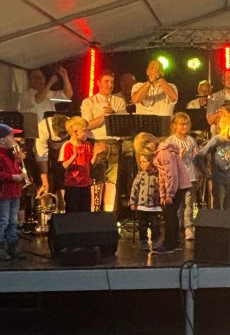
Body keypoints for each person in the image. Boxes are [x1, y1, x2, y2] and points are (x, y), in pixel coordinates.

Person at [81, 71, 127, 212]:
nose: (110, 85)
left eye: (112, 82)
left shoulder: (119, 101)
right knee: (97, 179)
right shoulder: (89, 102)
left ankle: (108, 214)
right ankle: (95, 213)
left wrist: (113, 114)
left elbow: (124, 125)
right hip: (97, 142)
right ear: (98, 83)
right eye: (106, 81)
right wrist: (104, 116)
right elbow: (87, 125)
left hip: (114, 143)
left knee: (112, 181)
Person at [0, 123, 27, 262]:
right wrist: (12, 177)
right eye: (12, 136)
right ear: (2, 140)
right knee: (3, 220)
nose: (14, 139)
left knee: (13, 220)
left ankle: (12, 244)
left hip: (13, 193)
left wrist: (20, 170)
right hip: (3, 194)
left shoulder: (10, 155)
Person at [195, 106, 230, 210]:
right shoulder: (216, 140)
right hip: (219, 180)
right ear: (227, 126)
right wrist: (205, 172)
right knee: (219, 209)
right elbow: (199, 156)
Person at [153, 135, 193, 253]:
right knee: (171, 214)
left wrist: (169, 194)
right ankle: (174, 242)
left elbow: (171, 174)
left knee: (169, 215)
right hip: (179, 185)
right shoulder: (163, 152)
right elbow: (162, 175)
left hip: (177, 186)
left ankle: (170, 244)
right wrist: (162, 194)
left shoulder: (163, 153)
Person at [165, 111, 199, 241]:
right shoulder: (170, 141)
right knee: (178, 204)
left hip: (190, 176)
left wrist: (200, 170)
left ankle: (189, 227)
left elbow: (196, 157)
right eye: (181, 124)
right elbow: (166, 160)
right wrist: (178, 157)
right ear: (174, 125)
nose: (184, 127)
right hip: (177, 177)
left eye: (186, 124)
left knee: (189, 204)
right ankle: (177, 226)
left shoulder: (191, 140)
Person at [61, 116, 105, 213]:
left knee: (85, 211)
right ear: (75, 132)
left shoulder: (87, 145)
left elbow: (90, 164)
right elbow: (64, 166)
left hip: (85, 184)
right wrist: (73, 156)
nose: (87, 133)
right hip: (72, 185)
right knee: (73, 210)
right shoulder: (67, 146)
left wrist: (96, 154)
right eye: (84, 131)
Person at [129, 152, 164, 251]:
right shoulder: (140, 175)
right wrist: (133, 202)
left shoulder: (158, 175)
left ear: (151, 162)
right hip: (142, 206)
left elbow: (162, 188)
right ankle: (143, 241)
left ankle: (155, 241)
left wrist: (162, 198)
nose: (142, 164)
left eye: (144, 161)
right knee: (142, 225)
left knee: (155, 225)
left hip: (155, 206)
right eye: (140, 162)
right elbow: (134, 188)